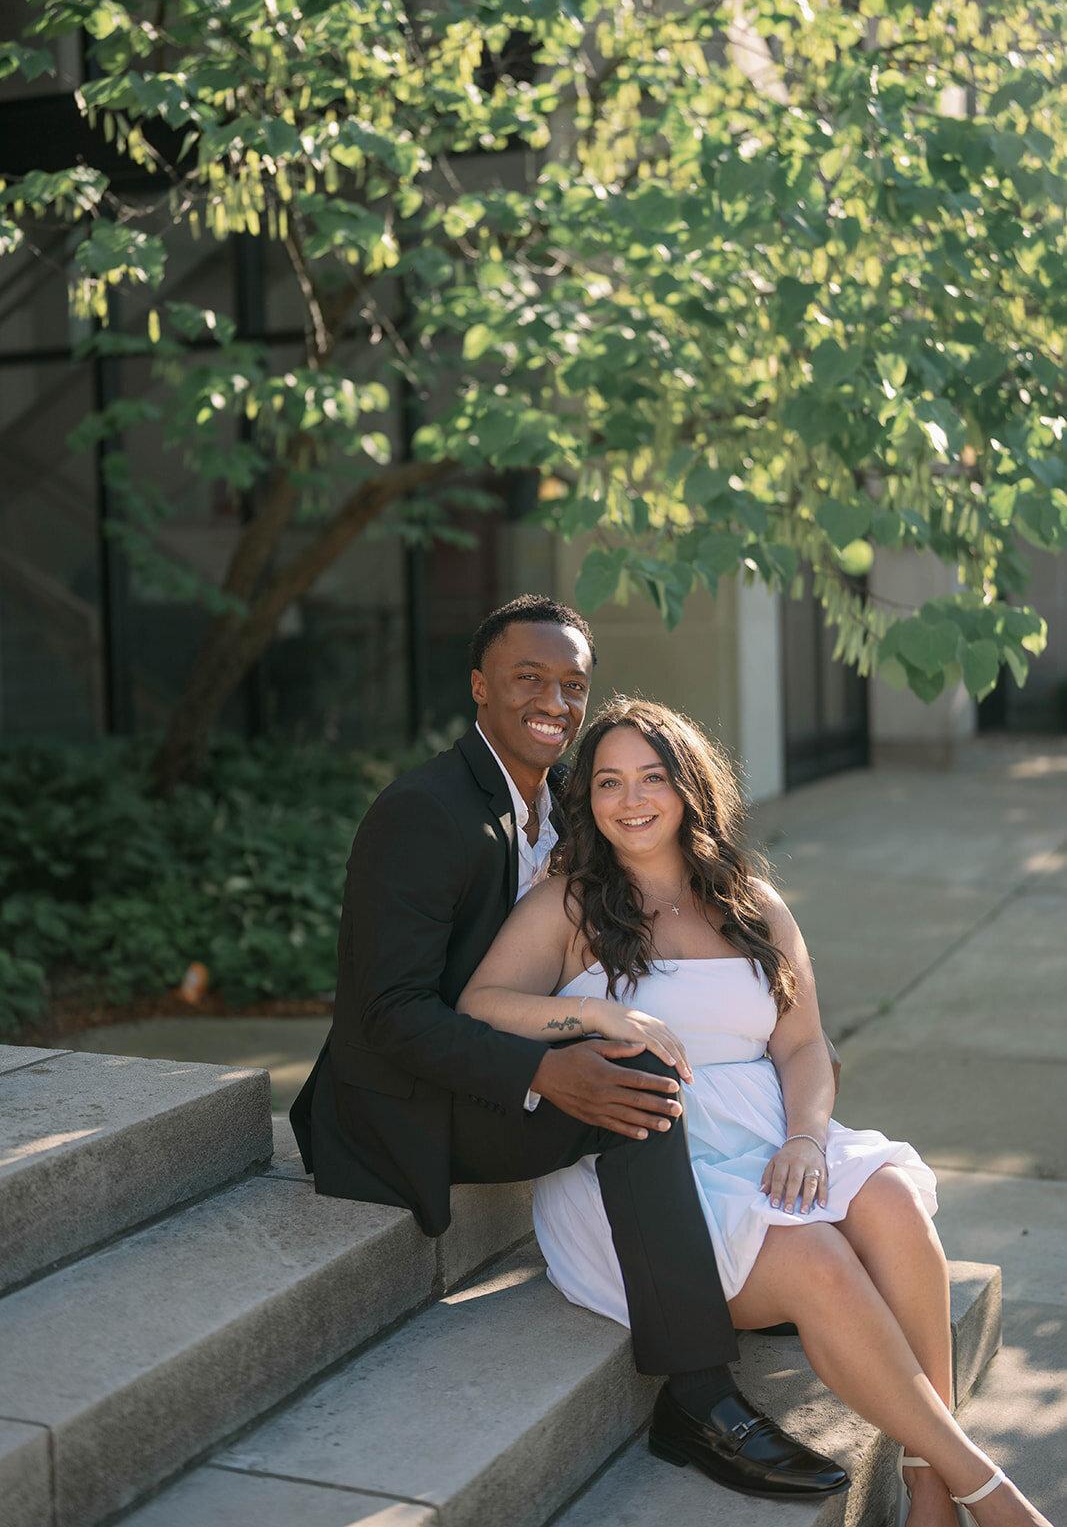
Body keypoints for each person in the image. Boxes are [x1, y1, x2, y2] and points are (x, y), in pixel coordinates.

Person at [290, 594, 847, 1503]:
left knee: (643, 1069)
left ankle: (744, 1280)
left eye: (572, 684)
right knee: (627, 1083)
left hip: (490, 1063)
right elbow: (384, 1015)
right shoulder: (424, 812)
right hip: (402, 1104)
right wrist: (549, 1067)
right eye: (527, 679)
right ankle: (699, 1395)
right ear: (478, 688)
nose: (553, 699)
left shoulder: (553, 804)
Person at [457, 698, 1054, 1527]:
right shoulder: (570, 906)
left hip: (768, 1143)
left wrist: (807, 1138)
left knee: (888, 1196)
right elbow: (482, 1004)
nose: (631, 800)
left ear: (689, 788)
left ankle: (926, 1485)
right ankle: (990, 1493)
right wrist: (594, 1014)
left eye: (652, 778)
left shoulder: (750, 903)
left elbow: (803, 1046)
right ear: (586, 799)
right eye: (608, 782)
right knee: (815, 1255)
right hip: (640, 1180)